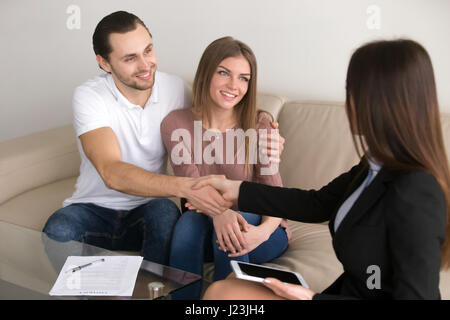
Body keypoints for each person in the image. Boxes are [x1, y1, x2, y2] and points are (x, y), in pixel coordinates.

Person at [196, 39, 450, 300]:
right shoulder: (375, 164)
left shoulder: (417, 190)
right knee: (231, 284)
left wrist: (310, 299)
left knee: (223, 294)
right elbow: (316, 203)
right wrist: (237, 190)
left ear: (382, 100)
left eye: (352, 90)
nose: (348, 102)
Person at [43, 11, 283, 265]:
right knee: (58, 230)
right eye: (130, 58)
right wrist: (191, 190)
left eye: (148, 50)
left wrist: (270, 141)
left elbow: (220, 107)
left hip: (151, 208)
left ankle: (156, 291)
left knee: (168, 215)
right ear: (104, 63)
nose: (145, 65)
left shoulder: (176, 90)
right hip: (93, 207)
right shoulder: (90, 96)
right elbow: (111, 172)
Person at [160, 36, 290, 299]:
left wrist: (261, 233)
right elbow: (193, 186)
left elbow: (277, 198)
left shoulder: (259, 123)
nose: (234, 85)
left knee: (234, 227)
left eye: (244, 78)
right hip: (204, 225)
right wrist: (221, 213)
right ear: (206, 73)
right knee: (188, 224)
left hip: (261, 231)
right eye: (224, 73)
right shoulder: (176, 123)